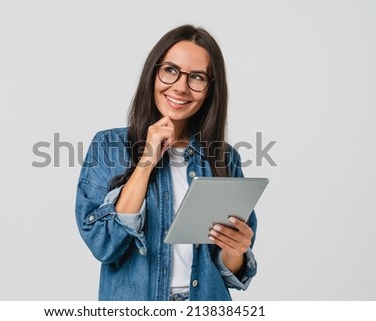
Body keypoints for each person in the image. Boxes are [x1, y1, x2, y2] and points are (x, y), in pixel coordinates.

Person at [75, 24, 257, 301]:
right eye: (171, 70)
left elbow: (231, 273)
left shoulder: (225, 157)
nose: (181, 87)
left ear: (209, 89)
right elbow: (104, 244)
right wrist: (146, 162)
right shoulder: (109, 146)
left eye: (196, 77)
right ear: (153, 73)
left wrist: (236, 250)